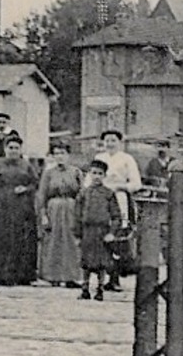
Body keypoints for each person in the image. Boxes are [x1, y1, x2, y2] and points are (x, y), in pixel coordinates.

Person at [0, 134, 40, 286]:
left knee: (20, 240)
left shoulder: (26, 165)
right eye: (10, 148)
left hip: (21, 208)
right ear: (5, 149)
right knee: (0, 239)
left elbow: (35, 184)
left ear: (20, 149)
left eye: (16, 148)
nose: (13, 151)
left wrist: (25, 188)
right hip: (0, 207)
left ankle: (21, 275)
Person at [94, 129, 143, 291]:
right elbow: (90, 180)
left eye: (113, 140)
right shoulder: (99, 158)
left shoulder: (127, 159)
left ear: (120, 142)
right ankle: (102, 277)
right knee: (101, 233)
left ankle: (115, 278)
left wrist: (120, 186)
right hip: (101, 199)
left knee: (118, 236)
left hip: (120, 198)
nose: (109, 144)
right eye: (107, 140)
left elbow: (136, 184)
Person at [36, 141, 84, 287]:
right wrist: (43, 214)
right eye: (56, 153)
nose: (59, 156)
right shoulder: (48, 173)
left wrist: (80, 211)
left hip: (71, 209)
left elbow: (82, 193)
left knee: (71, 241)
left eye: (62, 153)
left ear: (68, 155)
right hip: (53, 210)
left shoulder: (76, 172)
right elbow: (42, 195)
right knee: (53, 241)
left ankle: (71, 277)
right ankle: (53, 276)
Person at [74, 159, 121, 301]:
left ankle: (100, 289)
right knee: (86, 262)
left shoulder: (109, 194)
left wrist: (112, 233)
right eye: (94, 173)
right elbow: (77, 214)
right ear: (89, 174)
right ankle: (85, 289)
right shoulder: (83, 193)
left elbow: (116, 216)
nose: (96, 176)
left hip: (102, 232)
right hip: (87, 231)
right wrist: (77, 233)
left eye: (100, 173)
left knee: (101, 263)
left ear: (104, 176)